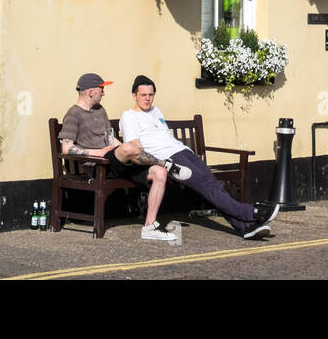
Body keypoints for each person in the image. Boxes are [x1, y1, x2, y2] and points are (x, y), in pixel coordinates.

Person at [118, 75, 277, 239]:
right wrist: (160, 164)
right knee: (206, 186)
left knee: (213, 185)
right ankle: (252, 212)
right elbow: (136, 148)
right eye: (143, 95)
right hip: (169, 159)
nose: (147, 99)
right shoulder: (129, 117)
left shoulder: (156, 110)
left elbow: (164, 136)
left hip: (183, 151)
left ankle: (245, 227)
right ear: (134, 95)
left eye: (151, 95)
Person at [59, 72, 190, 243]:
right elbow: (66, 147)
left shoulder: (100, 110)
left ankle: (150, 226)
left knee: (159, 173)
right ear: (91, 92)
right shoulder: (73, 114)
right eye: (102, 89)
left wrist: (122, 148)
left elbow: (110, 138)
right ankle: (167, 164)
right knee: (130, 147)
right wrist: (99, 152)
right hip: (98, 166)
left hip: (116, 162)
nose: (103, 93)